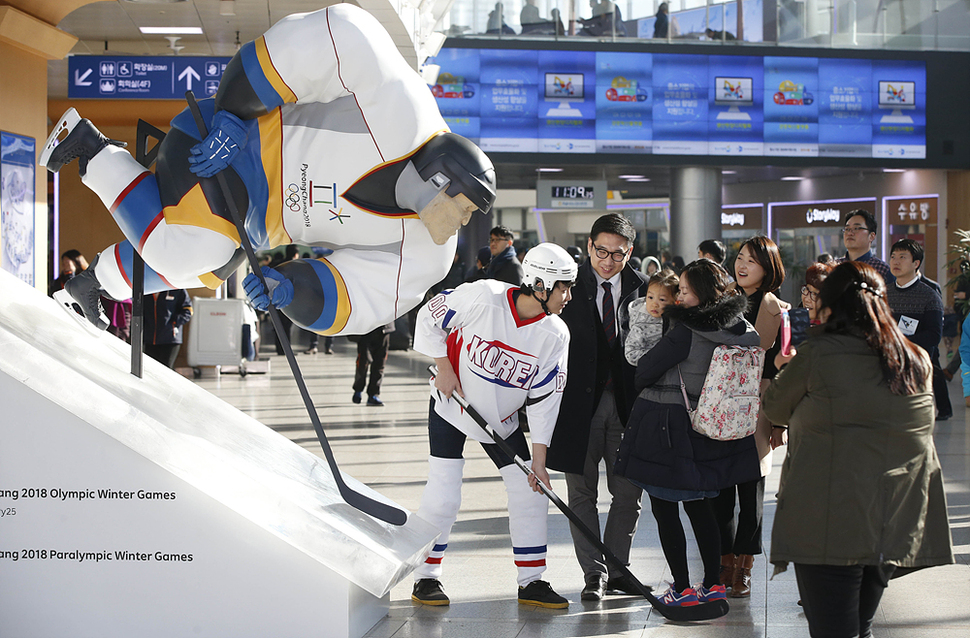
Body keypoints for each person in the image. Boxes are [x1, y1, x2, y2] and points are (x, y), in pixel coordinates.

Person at [42, 4, 496, 343]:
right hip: (225, 146)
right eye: (462, 205)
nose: (463, 220)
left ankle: (91, 281)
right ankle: (90, 146)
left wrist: (291, 288)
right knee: (183, 252)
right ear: (439, 179)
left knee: (209, 270)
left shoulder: (426, 255)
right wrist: (235, 111)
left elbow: (359, 298)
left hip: (255, 225)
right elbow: (344, 35)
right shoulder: (401, 105)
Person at [764, 261, 953, 638]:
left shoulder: (818, 354)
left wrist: (786, 369)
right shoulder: (915, 359)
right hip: (892, 519)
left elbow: (774, 408)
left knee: (833, 630)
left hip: (828, 521)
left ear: (831, 306)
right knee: (859, 627)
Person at [410, 243, 577, 608]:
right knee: (443, 494)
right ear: (539, 283)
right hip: (453, 408)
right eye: (563, 286)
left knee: (530, 491)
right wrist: (445, 367)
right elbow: (428, 317)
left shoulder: (555, 334)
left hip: (500, 423)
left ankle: (531, 579)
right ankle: (426, 577)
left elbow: (547, 399)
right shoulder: (484, 295)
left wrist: (539, 460)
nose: (568, 295)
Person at [616, 258, 761, 608]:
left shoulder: (685, 330)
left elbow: (643, 371)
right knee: (701, 510)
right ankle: (713, 584)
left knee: (665, 510)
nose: (677, 297)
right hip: (710, 426)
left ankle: (681, 588)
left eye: (683, 290)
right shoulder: (743, 328)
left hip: (667, 427)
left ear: (701, 293)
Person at [546, 214, 648, 602]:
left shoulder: (642, 288)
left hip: (628, 407)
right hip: (577, 407)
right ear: (589, 246)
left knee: (627, 495)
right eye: (601, 251)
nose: (608, 261)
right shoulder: (568, 285)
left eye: (617, 254)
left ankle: (618, 569)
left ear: (630, 252)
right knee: (581, 494)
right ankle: (594, 573)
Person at [713, 235, 788, 598]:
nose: (742, 266)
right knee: (720, 489)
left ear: (768, 269)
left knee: (750, 490)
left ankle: (744, 566)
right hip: (720, 405)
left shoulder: (772, 306)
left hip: (755, 405)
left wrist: (777, 420)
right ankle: (724, 563)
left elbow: (775, 368)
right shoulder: (724, 299)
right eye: (740, 258)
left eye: (752, 261)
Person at [886, 238, 949, 420]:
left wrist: (901, 341)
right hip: (887, 366)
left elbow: (934, 335)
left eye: (902, 257)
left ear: (916, 264)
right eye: (893, 257)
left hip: (916, 369)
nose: (896, 261)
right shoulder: (883, 292)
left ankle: (944, 409)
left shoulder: (929, 295)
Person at [624, 269, 679, 367]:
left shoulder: (677, 320)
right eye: (650, 297)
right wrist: (657, 356)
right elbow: (631, 353)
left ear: (675, 301)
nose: (654, 304)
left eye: (662, 299)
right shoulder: (640, 324)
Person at [838, 210, 893, 285]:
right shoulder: (835, 266)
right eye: (847, 229)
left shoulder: (882, 270)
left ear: (871, 236)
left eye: (856, 228)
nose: (850, 233)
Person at [143, 289, 193, 369]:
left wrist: (174, 323)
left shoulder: (177, 289)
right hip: (150, 339)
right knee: (151, 370)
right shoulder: (147, 289)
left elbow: (188, 311)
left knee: (166, 369)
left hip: (170, 338)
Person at [351, 323, 392, 406]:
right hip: (366, 328)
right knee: (363, 361)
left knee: (380, 364)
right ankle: (358, 389)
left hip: (384, 328)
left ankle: (373, 394)